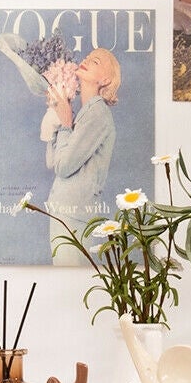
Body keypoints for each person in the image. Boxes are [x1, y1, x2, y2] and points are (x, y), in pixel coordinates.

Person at [41, 47, 121, 259]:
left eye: (95, 61)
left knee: (70, 282)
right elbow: (53, 162)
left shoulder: (97, 114)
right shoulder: (85, 114)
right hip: (64, 212)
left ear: (104, 79)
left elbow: (63, 166)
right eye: (88, 56)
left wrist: (66, 125)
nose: (86, 59)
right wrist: (57, 119)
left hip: (74, 216)